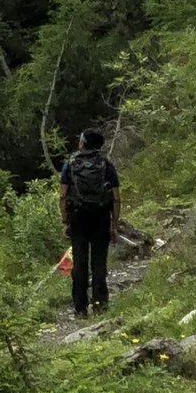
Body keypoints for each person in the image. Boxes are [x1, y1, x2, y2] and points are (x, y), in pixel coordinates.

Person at [58, 129, 120, 317]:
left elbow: (63, 195)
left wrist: (65, 220)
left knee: (79, 262)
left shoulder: (71, 163)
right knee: (99, 262)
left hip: (78, 217)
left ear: (83, 142)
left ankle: (80, 308)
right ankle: (100, 304)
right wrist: (114, 225)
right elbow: (116, 198)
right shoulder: (106, 164)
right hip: (101, 217)